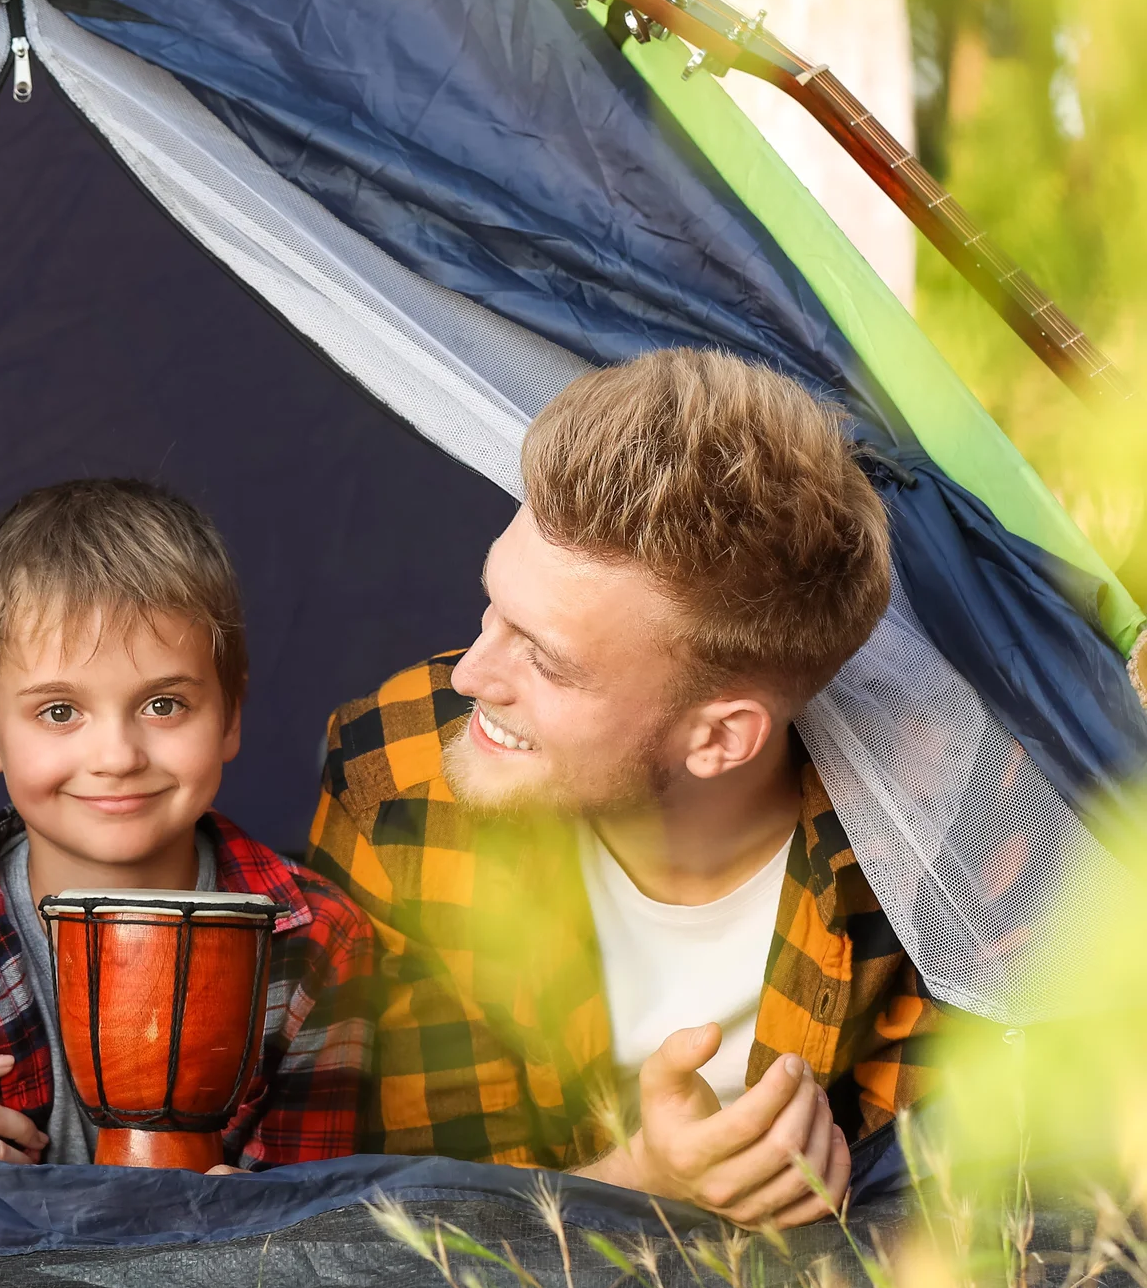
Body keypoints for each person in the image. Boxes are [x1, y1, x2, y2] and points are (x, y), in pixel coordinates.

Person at [307, 348, 937, 1227]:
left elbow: (942, 1214)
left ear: (718, 737)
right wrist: (646, 1181)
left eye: (548, 662)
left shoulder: (940, 854)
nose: (472, 676)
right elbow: (430, 1204)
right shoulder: (403, 766)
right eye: (493, 610)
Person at [0, 479, 371, 1167]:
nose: (118, 758)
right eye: (59, 712)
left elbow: (308, 1224)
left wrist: (254, 1226)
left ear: (231, 714)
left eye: (163, 705)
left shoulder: (314, 940)